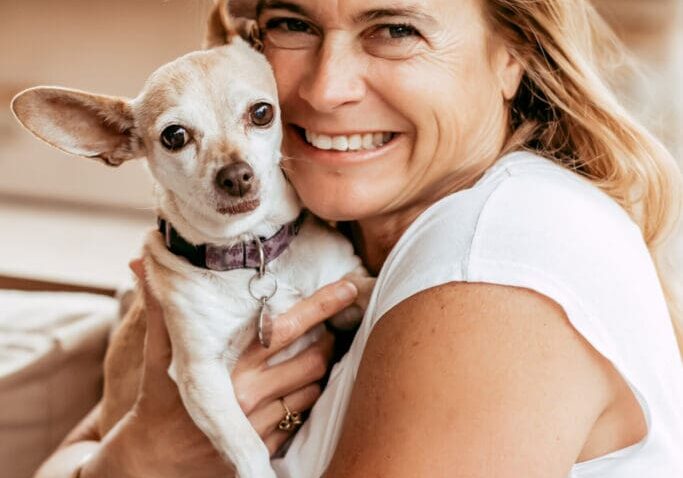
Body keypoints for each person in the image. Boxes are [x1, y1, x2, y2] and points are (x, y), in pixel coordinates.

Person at [36, 0, 683, 477]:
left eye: (395, 30)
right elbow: (77, 451)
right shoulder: (299, 233)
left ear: (511, 54)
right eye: (294, 24)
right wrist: (140, 456)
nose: (325, 88)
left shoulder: (489, 268)